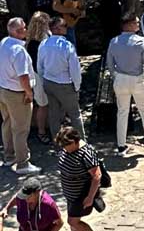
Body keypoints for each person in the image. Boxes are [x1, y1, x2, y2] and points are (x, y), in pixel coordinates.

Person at [104, 14, 144, 154]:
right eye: (136, 23)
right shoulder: (140, 42)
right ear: (129, 24)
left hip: (121, 79)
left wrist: (115, 75)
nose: (138, 25)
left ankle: (121, 146)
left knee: (122, 112)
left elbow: (110, 63)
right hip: (138, 79)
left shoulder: (114, 42)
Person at [55, 126, 104, 231]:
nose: (65, 148)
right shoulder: (67, 150)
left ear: (75, 141)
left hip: (81, 195)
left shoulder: (86, 153)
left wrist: (90, 197)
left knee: (73, 221)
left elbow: (96, 176)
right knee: (74, 220)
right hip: (71, 194)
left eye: (67, 145)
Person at [0, 17, 39, 175]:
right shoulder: (19, 51)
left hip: (3, 90)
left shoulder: (4, 42)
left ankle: (9, 156)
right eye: (24, 28)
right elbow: (23, 77)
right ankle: (23, 164)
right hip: (17, 93)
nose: (27, 30)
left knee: (8, 123)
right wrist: (29, 93)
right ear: (17, 32)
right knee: (20, 129)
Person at [37, 16, 84, 140]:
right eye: (64, 26)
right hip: (65, 84)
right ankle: (82, 144)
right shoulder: (67, 46)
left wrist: (44, 81)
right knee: (75, 115)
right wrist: (77, 86)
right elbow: (75, 69)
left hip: (49, 83)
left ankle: (58, 146)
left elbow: (40, 66)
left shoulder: (43, 44)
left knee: (54, 115)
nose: (66, 28)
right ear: (56, 28)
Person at [25, 11, 52, 143]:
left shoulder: (33, 41)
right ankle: (41, 132)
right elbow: (37, 65)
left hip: (46, 75)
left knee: (48, 104)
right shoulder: (35, 43)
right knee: (43, 105)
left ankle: (51, 128)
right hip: (40, 77)